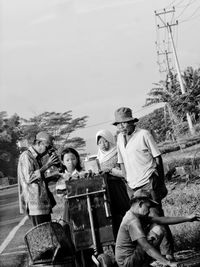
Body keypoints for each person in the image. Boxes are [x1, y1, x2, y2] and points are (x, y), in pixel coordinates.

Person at [113, 107, 174, 259]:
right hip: (132, 185)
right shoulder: (119, 138)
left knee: (156, 216)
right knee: (141, 221)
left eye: (124, 123)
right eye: (119, 124)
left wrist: (159, 181)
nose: (122, 127)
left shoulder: (144, 134)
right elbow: (121, 161)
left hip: (147, 181)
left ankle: (168, 253)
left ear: (131, 122)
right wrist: (126, 179)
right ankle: (154, 255)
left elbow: (157, 157)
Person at [115, 189, 200, 267]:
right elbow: (145, 246)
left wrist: (188, 218)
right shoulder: (132, 221)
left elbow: (163, 220)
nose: (149, 211)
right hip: (127, 263)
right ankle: (147, 263)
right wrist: (168, 263)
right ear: (140, 204)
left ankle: (148, 262)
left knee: (158, 226)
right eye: (148, 207)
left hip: (131, 257)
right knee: (157, 230)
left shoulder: (135, 215)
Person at [18, 131, 60, 226]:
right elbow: (29, 178)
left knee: (48, 231)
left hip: (43, 203)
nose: (47, 151)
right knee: (41, 233)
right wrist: (47, 165)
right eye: (47, 147)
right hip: (35, 206)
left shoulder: (36, 158)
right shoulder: (26, 156)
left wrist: (51, 178)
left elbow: (38, 180)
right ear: (39, 143)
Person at [96, 129, 130, 240]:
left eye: (105, 141)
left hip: (117, 186)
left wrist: (110, 170)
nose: (103, 145)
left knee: (124, 211)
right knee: (110, 214)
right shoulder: (98, 158)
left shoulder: (118, 152)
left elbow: (125, 172)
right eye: (100, 142)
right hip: (105, 189)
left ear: (110, 140)